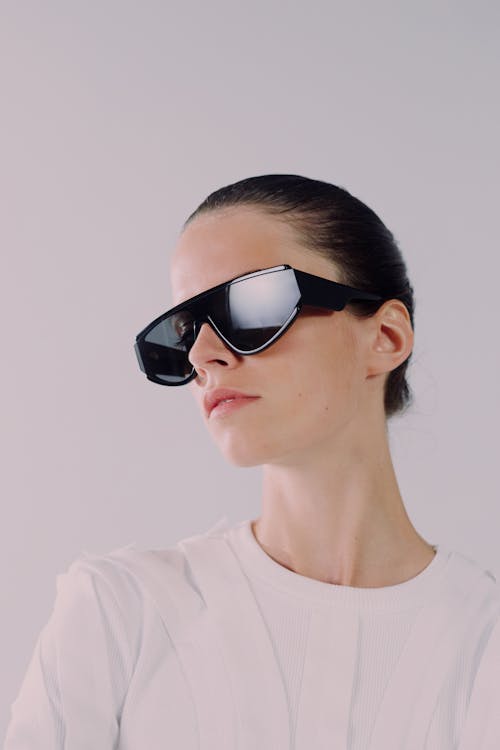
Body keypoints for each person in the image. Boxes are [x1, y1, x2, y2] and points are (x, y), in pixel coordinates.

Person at [4, 175, 500, 750]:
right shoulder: (118, 616)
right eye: (183, 332)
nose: (203, 356)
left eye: (251, 305)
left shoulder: (484, 642)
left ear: (385, 337)